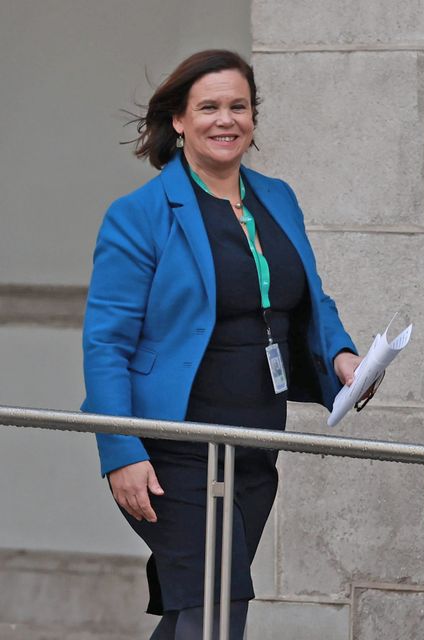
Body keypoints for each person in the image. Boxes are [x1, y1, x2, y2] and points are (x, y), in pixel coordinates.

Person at [81, 49, 360, 640]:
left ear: (253, 117)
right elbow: (106, 343)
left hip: (257, 436)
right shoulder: (139, 215)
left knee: (200, 605)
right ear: (178, 120)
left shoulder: (278, 197)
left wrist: (341, 354)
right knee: (218, 601)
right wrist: (120, 451)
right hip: (174, 444)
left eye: (238, 106)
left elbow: (309, 296)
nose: (225, 119)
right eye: (208, 106)